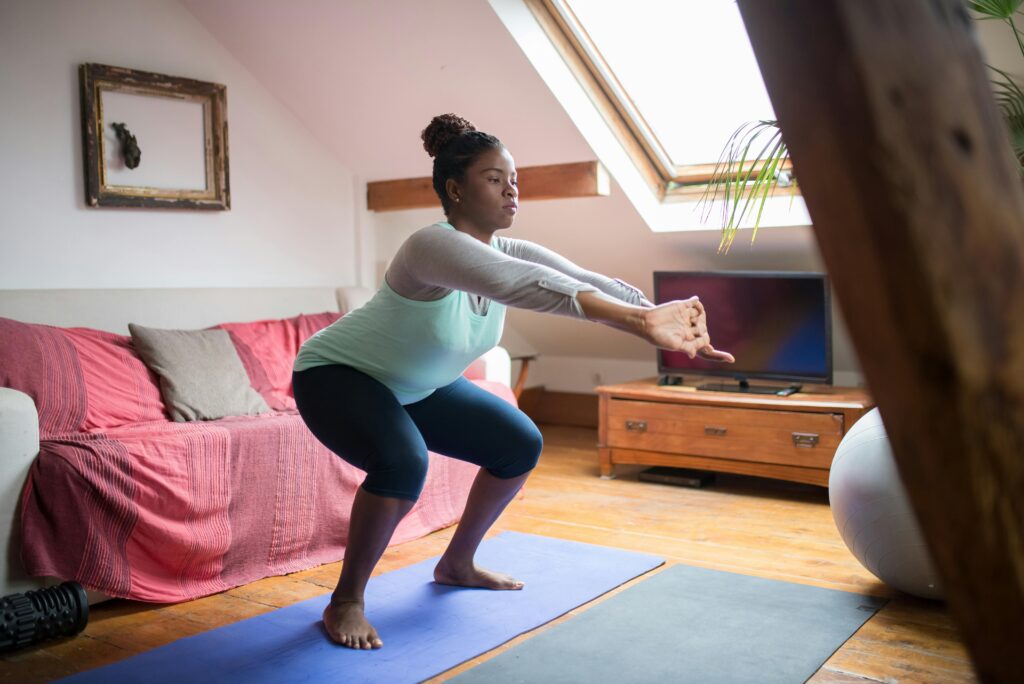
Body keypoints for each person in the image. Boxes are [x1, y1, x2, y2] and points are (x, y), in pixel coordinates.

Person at [291, 113, 734, 650]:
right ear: (455, 189)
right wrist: (642, 324)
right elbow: (525, 286)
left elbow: (583, 280)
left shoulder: (509, 250)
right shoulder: (430, 247)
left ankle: (457, 563)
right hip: (338, 376)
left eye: (513, 180)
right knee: (403, 462)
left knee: (517, 442)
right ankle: (345, 602)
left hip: (414, 385)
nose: (511, 190)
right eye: (494, 178)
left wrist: (663, 313)